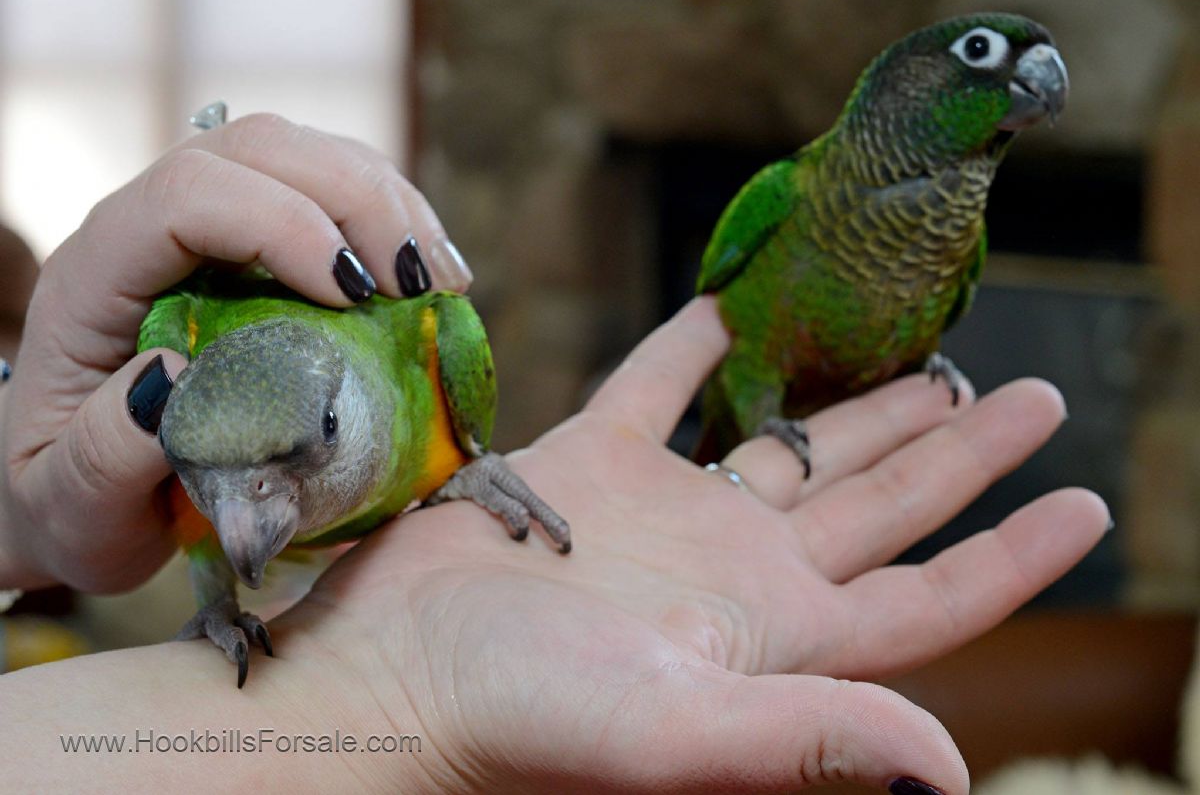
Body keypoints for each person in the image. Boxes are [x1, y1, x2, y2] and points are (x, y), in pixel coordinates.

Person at [0, 114, 1110, 794]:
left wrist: (464, 469)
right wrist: (340, 683)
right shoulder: (180, 337)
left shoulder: (435, 338)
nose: (246, 525)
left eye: (294, 461)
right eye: (211, 481)